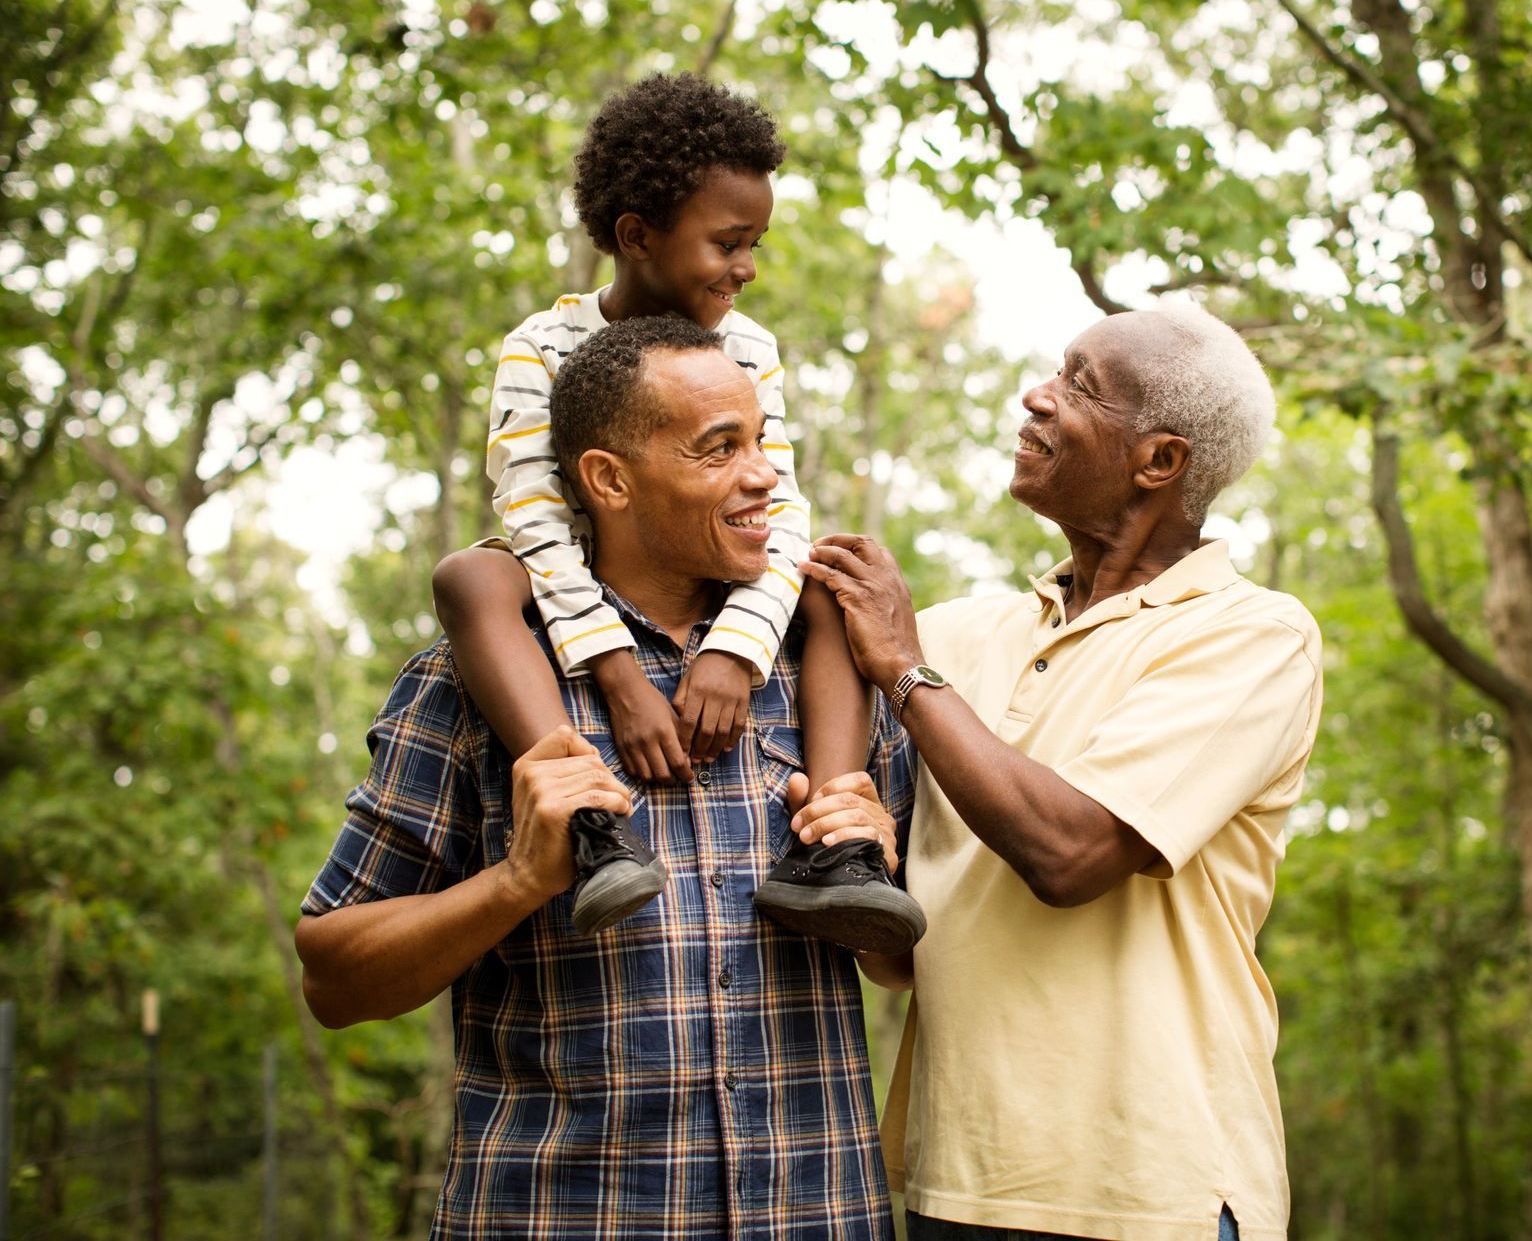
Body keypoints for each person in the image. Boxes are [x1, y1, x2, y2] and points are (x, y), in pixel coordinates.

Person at [296, 316, 915, 1239]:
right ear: (610, 480)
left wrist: (879, 861)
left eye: (758, 442)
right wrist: (517, 882)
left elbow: (901, 966)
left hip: (821, 1216)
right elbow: (333, 979)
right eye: (718, 450)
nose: (763, 476)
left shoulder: (828, 679)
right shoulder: (480, 681)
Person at [803, 308, 1324, 1241]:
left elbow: (1070, 852)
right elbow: (898, 955)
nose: (1037, 396)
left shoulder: (1251, 635)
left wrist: (903, 669)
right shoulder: (962, 637)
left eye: (1081, 384)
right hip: (954, 1180)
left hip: (1149, 1189)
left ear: (1159, 461)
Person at [431, 72, 921, 951]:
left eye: (756, 242)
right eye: (728, 242)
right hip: (579, 584)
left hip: (717, 577)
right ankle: (587, 825)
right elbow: (536, 514)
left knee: (829, 578)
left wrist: (736, 652)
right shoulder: (541, 347)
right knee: (472, 574)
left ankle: (835, 847)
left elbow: (779, 508)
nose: (747, 267)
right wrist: (616, 674)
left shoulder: (748, 346)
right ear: (636, 236)